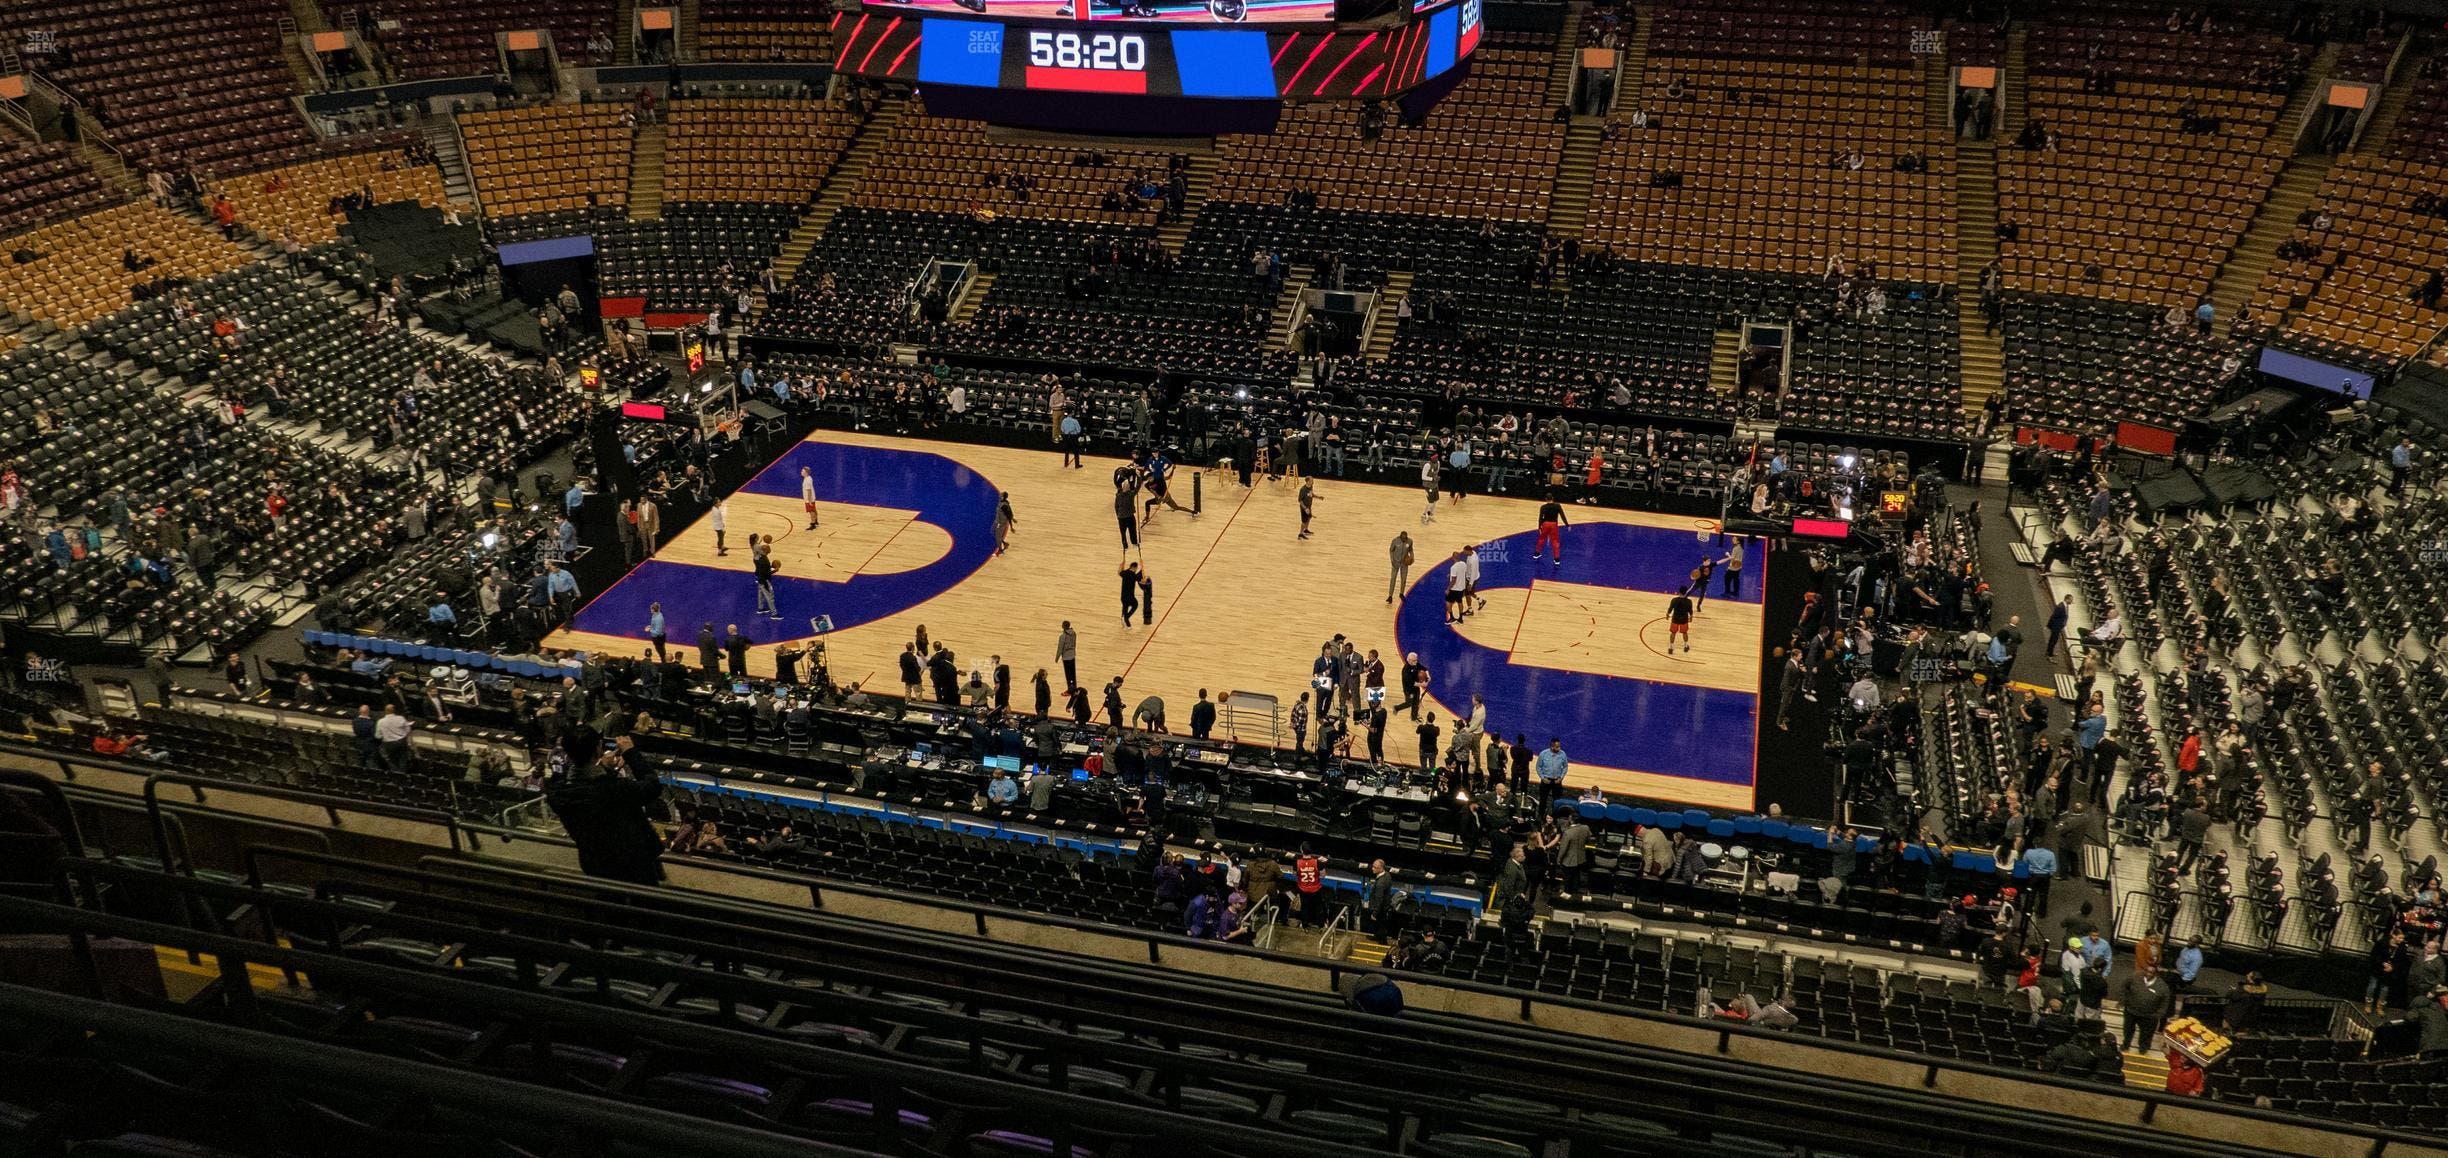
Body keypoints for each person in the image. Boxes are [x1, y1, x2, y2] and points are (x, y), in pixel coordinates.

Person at [545, 740, 667, 886]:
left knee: (608, 899)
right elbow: (652, 786)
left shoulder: (558, 792)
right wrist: (631, 753)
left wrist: (604, 770)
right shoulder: (614, 789)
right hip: (632, 861)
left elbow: (593, 788)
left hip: (594, 861)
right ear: (598, 750)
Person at [1534, 738, 1568, 806]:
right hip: (1546, 781)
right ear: (1552, 746)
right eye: (1557, 747)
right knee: (1543, 799)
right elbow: (1538, 767)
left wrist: (1561, 778)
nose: (1559, 748)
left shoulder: (1563, 754)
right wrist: (1543, 778)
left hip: (1557, 781)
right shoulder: (1543, 754)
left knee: (1557, 800)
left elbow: (1565, 767)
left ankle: (1555, 815)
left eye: (1559, 746)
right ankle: (1541, 814)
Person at [1387, 530, 1414, 604]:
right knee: (1393, 579)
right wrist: (1392, 560)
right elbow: (1391, 550)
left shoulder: (1410, 541)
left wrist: (1412, 557)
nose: (1404, 540)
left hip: (1404, 564)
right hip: (1395, 562)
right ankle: (1390, 596)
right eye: (1403, 539)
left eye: (1405, 539)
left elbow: (1411, 550)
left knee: (1404, 579)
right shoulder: (1395, 541)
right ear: (1400, 537)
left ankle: (1401, 593)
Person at [1057, 621, 1078, 689]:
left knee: (1068, 675)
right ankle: (1074, 687)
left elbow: (1060, 648)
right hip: (1072, 655)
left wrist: (1057, 658)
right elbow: (1074, 643)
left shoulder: (1062, 637)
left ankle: (1070, 690)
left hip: (1066, 657)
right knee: (1073, 673)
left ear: (1063, 626)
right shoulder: (1074, 633)